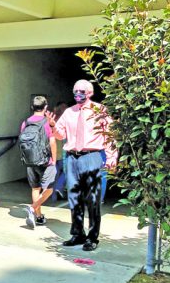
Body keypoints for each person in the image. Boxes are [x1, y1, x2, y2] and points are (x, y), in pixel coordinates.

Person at [45, 80, 117, 251]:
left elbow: (110, 137)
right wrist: (53, 126)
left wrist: (112, 157)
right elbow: (61, 136)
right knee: (74, 197)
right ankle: (78, 234)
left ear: (90, 93)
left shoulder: (100, 111)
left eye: (81, 91)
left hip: (91, 156)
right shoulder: (69, 112)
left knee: (92, 199)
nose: (78, 94)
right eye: (75, 90)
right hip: (72, 158)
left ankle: (92, 237)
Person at [20, 96, 58, 228]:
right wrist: (53, 159)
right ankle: (33, 208)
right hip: (45, 161)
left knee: (35, 188)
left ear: (32, 107)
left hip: (30, 161)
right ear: (45, 107)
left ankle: (39, 217)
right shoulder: (46, 122)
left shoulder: (25, 122)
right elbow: (52, 141)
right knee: (49, 189)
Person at [52, 101, 68, 200]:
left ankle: (54, 195)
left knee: (55, 176)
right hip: (62, 154)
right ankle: (59, 187)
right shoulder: (65, 121)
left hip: (54, 154)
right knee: (68, 171)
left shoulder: (51, 121)